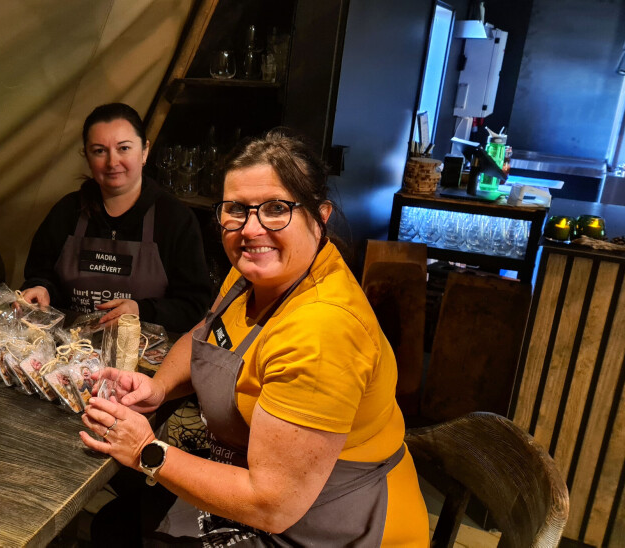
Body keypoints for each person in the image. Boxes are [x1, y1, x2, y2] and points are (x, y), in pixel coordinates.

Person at [80, 131, 430, 546]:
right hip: (264, 483)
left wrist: (145, 451)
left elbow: (273, 505)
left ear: (320, 217)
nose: (251, 228)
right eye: (236, 210)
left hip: (327, 521)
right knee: (116, 525)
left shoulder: (321, 332)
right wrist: (159, 388)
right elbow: (206, 334)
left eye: (276, 209)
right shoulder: (258, 270)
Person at [20, 103, 212, 333]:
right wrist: (41, 289)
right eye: (100, 150)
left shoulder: (175, 219)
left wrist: (141, 310)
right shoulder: (67, 211)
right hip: (70, 349)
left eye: (124, 148)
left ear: (144, 151)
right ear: (87, 156)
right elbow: (40, 274)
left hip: (141, 356)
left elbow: (194, 306)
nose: (112, 162)